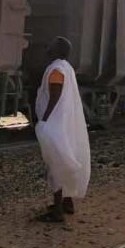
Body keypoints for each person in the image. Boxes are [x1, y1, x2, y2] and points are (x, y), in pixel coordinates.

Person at [34, 36, 91, 223]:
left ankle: (57, 211)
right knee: (64, 161)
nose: (47, 47)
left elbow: (55, 95)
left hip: (55, 124)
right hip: (64, 123)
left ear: (57, 50)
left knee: (56, 164)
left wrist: (45, 118)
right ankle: (68, 203)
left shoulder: (57, 69)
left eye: (50, 45)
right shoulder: (66, 67)